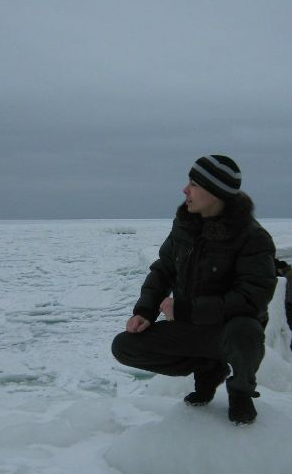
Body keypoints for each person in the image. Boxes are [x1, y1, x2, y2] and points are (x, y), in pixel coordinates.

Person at [112, 155, 277, 425]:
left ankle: (240, 392)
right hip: (190, 328)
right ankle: (208, 368)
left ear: (215, 192)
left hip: (227, 332)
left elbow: (252, 298)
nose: (185, 190)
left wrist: (186, 310)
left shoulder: (253, 237)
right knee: (125, 346)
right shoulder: (184, 225)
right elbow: (163, 269)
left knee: (246, 331)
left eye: (194, 184)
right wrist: (145, 311)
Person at [274, 259, 292, 352]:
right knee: (289, 324)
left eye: (278, 270)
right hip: (288, 304)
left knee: (289, 325)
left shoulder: (289, 276)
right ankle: (290, 345)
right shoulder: (288, 274)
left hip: (289, 304)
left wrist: (289, 304)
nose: (278, 272)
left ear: (282, 269)